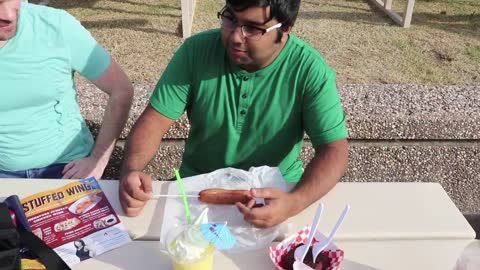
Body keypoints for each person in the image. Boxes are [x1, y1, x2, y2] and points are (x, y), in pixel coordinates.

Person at [119, 0, 348, 228]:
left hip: (276, 194)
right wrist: (131, 171)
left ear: (285, 28)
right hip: (198, 190)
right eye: (230, 19)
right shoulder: (196, 51)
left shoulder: (308, 70)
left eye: (252, 28)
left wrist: (293, 202)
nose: (236, 37)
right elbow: (154, 120)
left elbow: (334, 149)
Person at [0, 0, 133, 180]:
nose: (8, 15)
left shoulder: (56, 26)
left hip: (68, 168)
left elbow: (121, 89)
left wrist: (97, 160)